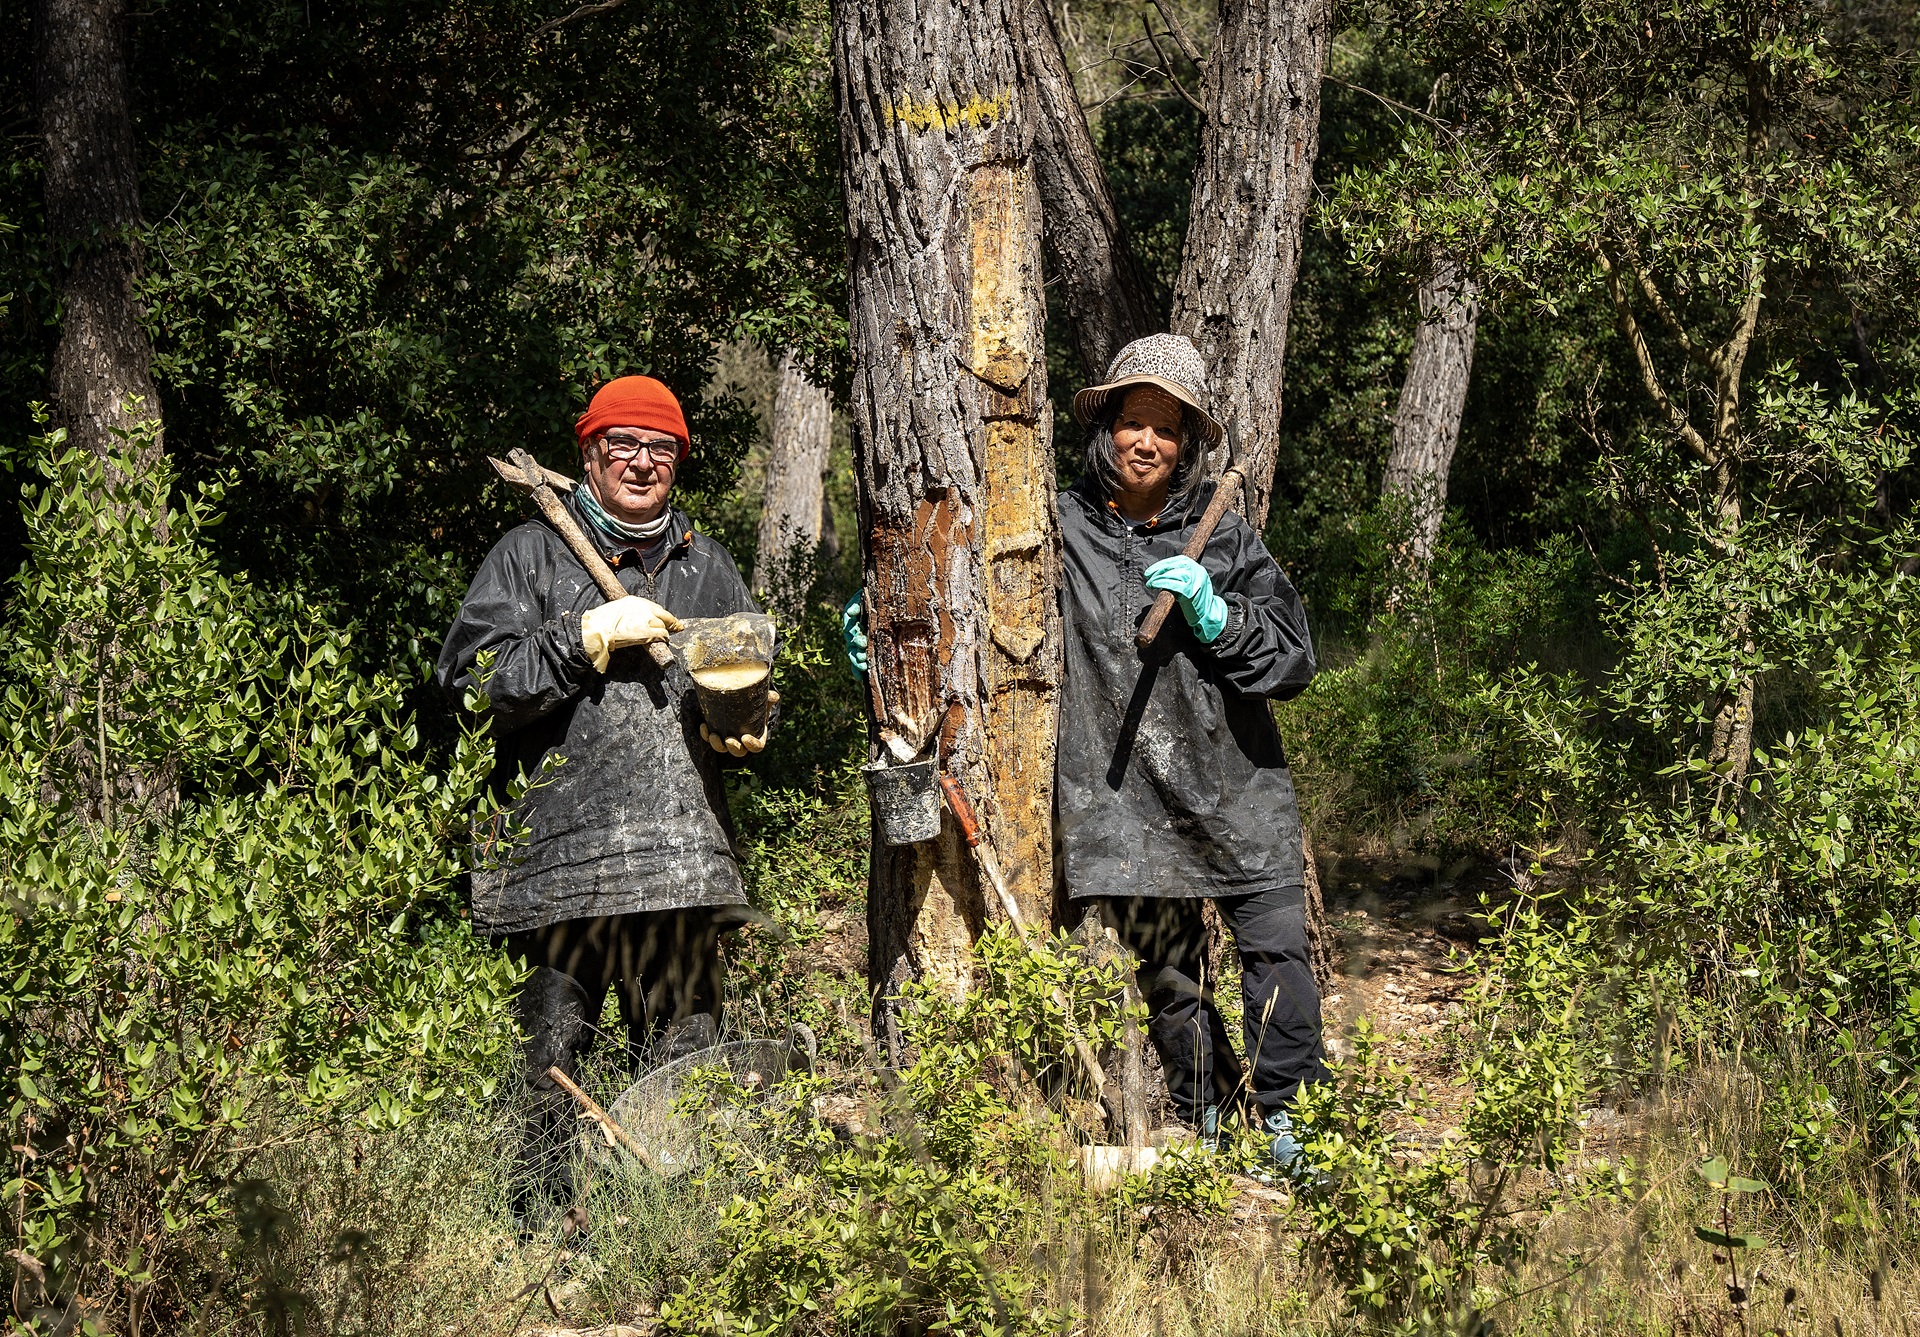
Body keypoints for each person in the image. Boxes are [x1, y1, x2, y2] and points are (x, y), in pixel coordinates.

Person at [845, 334, 1326, 1169]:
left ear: (1188, 447)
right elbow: (972, 598)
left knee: (1279, 958)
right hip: (1124, 802)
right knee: (1172, 980)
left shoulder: (1226, 537)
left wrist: (1218, 616)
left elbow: (1293, 660)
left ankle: (1293, 1128)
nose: (1148, 442)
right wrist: (898, 629)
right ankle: (1207, 1123)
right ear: (1105, 427)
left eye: (1168, 430)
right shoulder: (1055, 527)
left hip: (1238, 791)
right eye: (1134, 422)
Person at [437, 374, 774, 1213]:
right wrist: (578, 637)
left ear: (679, 463)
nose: (642, 462)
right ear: (588, 454)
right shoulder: (530, 554)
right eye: (622, 444)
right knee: (553, 1055)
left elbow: (740, 682)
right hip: (561, 864)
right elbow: (470, 687)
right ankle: (545, 1229)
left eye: (661, 447)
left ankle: (664, 1233)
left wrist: (752, 719)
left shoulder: (708, 563)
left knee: (688, 1064)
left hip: (685, 864)